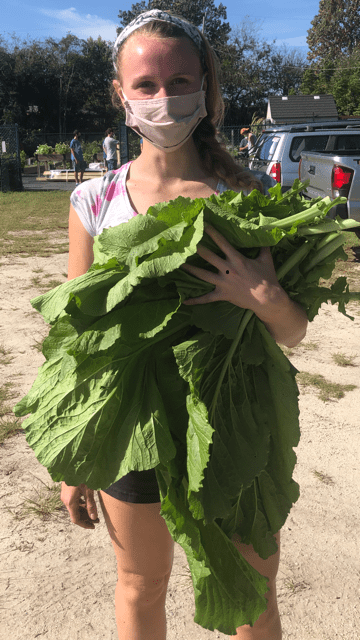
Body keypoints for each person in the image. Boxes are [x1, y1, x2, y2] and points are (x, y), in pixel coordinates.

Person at [62, 10, 308, 640]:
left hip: (235, 411)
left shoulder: (249, 196)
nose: (164, 99)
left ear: (207, 88)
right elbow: (76, 338)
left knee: (250, 589)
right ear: (122, 95)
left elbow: (291, 334)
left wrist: (266, 298)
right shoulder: (94, 200)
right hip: (131, 417)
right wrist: (75, 458)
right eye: (146, 85)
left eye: (180, 82)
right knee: (141, 587)